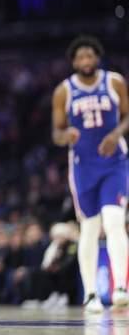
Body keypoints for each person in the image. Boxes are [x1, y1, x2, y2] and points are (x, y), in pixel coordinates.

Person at [52, 35, 129, 313]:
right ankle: (91, 293)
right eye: (80, 57)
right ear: (74, 62)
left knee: (115, 221)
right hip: (83, 166)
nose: (86, 61)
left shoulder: (114, 82)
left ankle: (121, 287)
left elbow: (127, 116)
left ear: (97, 58)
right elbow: (57, 132)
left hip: (114, 162)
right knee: (90, 227)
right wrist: (66, 136)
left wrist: (116, 134)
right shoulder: (64, 90)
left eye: (90, 56)